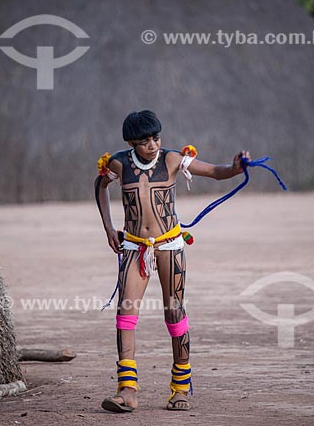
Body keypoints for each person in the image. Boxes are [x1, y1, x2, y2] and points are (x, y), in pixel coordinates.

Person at [95, 110, 251, 413]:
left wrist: (234, 167)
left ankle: (180, 387)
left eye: (156, 138)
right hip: (134, 247)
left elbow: (216, 172)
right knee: (125, 313)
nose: (152, 145)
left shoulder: (172, 159)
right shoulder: (118, 164)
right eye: (144, 141)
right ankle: (127, 390)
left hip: (170, 246)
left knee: (174, 312)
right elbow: (100, 186)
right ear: (130, 142)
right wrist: (108, 228)